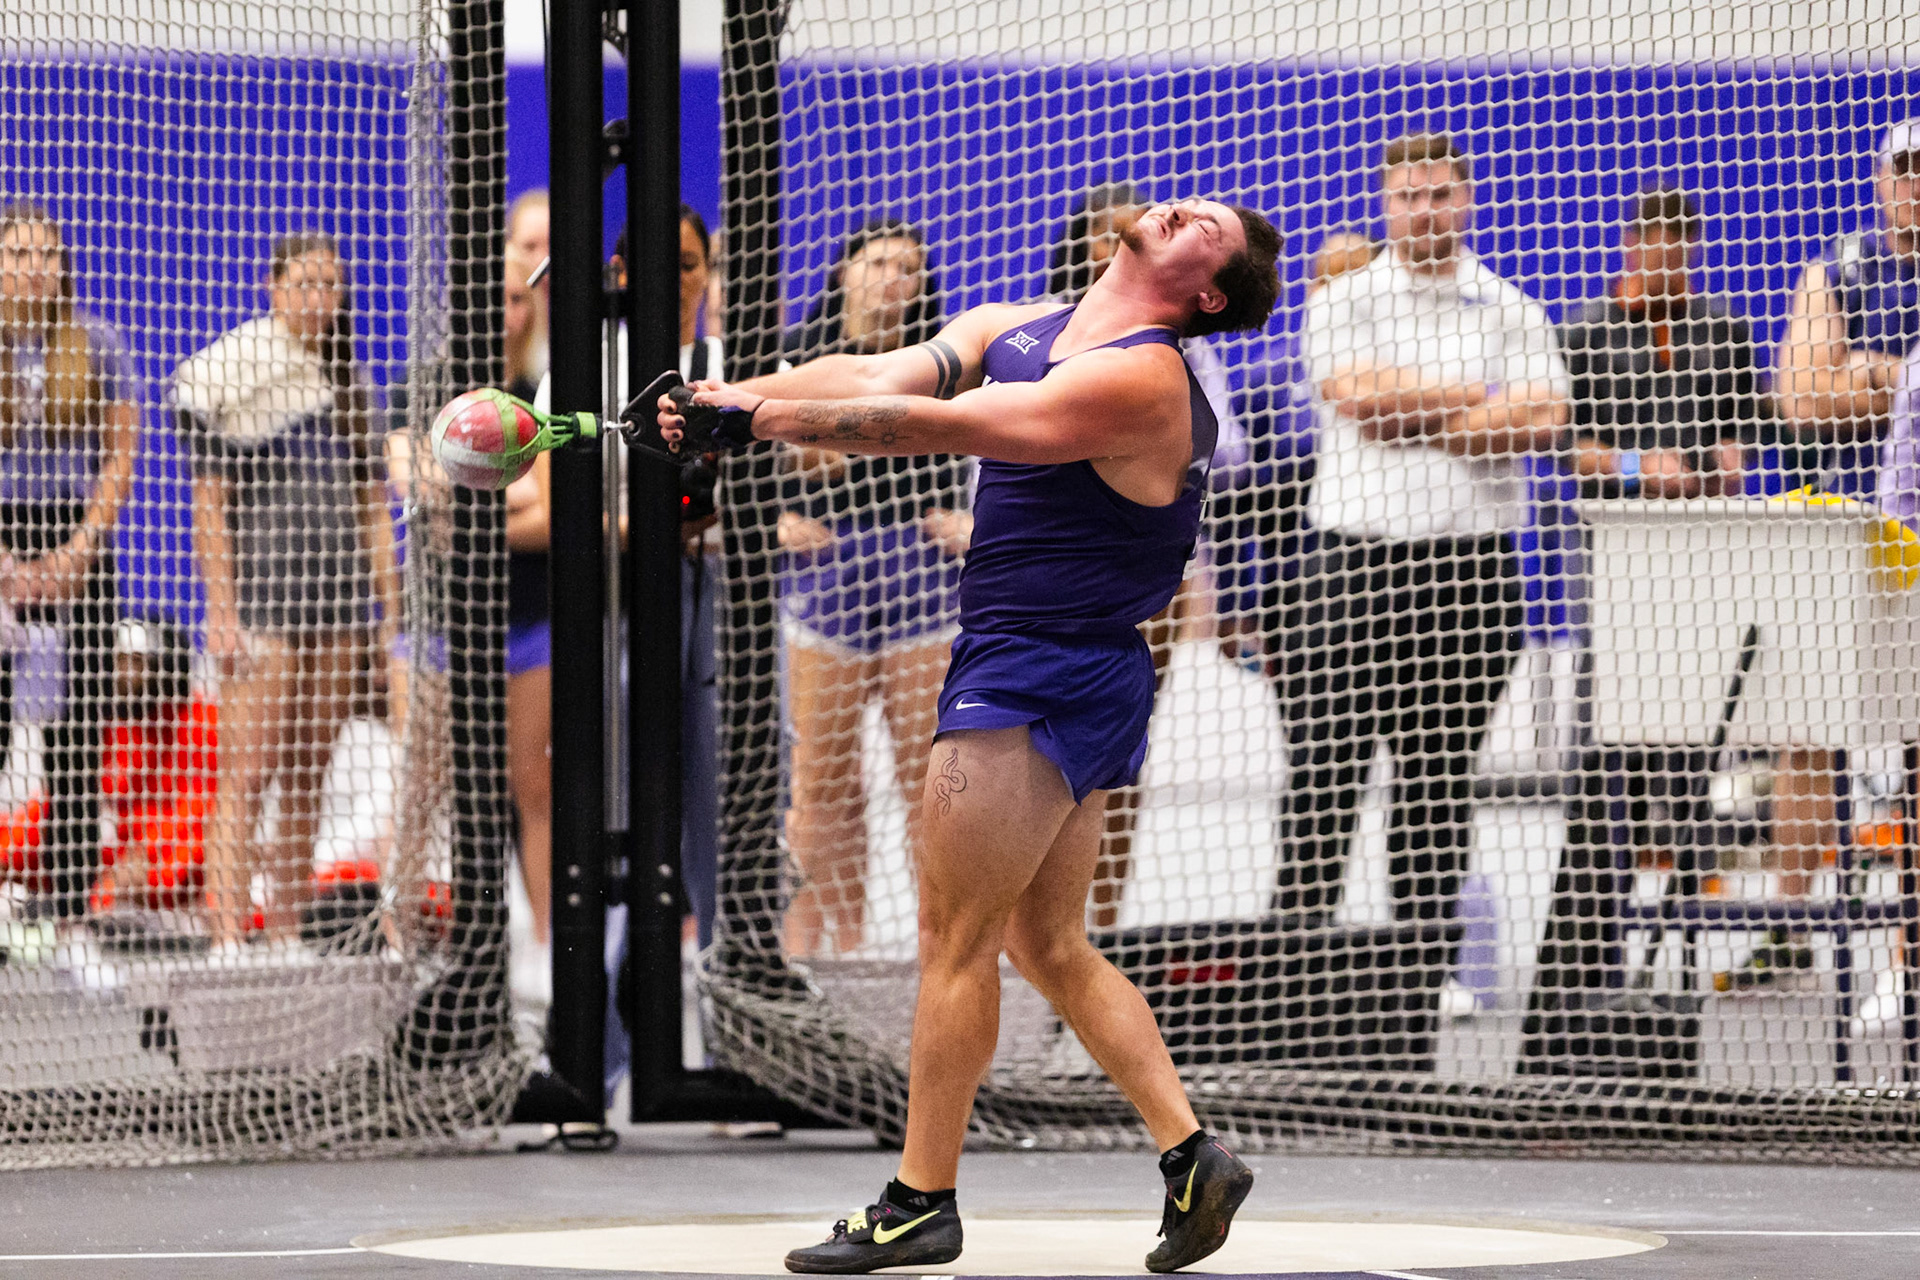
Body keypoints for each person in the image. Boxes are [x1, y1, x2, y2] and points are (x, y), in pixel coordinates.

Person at [659, 195, 1282, 1275]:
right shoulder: (1020, 324)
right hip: (1058, 662)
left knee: (954, 936)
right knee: (1046, 943)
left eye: (1206, 230)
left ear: (1207, 291)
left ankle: (919, 1199)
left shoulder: (1141, 377)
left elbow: (942, 426)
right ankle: (1194, 1155)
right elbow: (874, 378)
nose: (1181, 209)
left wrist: (752, 425)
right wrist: (729, 394)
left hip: (1039, 667)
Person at [1276, 134, 1568, 966]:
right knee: (1321, 781)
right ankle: (1289, 981)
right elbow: (1358, 401)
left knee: (1437, 784)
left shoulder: (1511, 306)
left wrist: (1417, 410)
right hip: (1349, 569)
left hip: (1472, 575)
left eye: (1440, 194)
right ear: (1386, 202)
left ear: (1467, 200)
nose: (1425, 209)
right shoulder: (1342, 298)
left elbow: (1544, 421)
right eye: (1409, 196)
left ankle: (1420, 981)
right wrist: (1479, 400)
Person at [175, 232, 399, 949]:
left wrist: (388, 612)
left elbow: (374, 508)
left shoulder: (353, 385)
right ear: (272, 289)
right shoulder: (229, 374)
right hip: (264, 604)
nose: (318, 299)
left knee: (309, 773)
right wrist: (223, 613)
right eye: (304, 283)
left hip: (338, 608)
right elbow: (209, 503)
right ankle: (227, 941)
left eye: (330, 286)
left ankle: (287, 938)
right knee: (246, 776)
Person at [1042, 184, 1247, 929]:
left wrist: (1136, 422)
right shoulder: (1040, 329)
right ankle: (1033, 931)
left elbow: (1230, 449)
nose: (1114, 246)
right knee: (1029, 752)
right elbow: (989, 449)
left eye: (1127, 232)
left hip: (1150, 568)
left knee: (1115, 751)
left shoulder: (1183, 345)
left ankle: (1101, 923)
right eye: (1103, 235)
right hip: (1044, 560)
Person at [1748, 119, 1920, 986]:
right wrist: (1905, 376)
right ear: (1883, 178)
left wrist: (1864, 370)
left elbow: (1836, 380)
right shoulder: (1841, 268)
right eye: (1905, 171)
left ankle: (1912, 945)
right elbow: (1804, 398)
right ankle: (1787, 923)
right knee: (1806, 729)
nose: (1916, 185)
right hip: (1843, 531)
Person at [775, 220, 970, 956]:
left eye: (910, 267)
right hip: (826, 571)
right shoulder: (800, 356)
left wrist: (971, 519)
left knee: (933, 781)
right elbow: (754, 459)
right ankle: (817, 952)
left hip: (921, 565)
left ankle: (942, 950)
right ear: (843, 274)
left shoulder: (945, 360)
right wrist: (779, 516)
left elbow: (996, 436)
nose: (896, 277)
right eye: (880, 262)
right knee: (822, 783)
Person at [0, 201, 139, 920]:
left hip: (76, 546)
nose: (35, 268)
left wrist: (80, 547)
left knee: (77, 741)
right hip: (1, 538)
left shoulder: (96, 344)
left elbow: (120, 452)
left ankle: (73, 920)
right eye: (20, 255)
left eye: (47, 255)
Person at [1564, 186, 1757, 501]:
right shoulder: (1584, 334)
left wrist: (1735, 454)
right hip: (1610, 518)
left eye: (1676, 256)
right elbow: (1562, 443)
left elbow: (1747, 421)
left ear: (1692, 249)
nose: (1665, 270)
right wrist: (1633, 467)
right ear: (1631, 245)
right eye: (1656, 255)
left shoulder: (1724, 330)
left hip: (1705, 512)